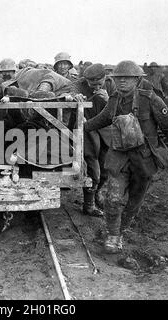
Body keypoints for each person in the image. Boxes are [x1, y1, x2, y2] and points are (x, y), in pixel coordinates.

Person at [83, 60, 168, 253]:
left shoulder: (150, 99)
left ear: (137, 79)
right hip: (119, 158)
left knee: (134, 201)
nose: (122, 81)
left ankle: (122, 231)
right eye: (118, 78)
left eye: (127, 78)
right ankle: (113, 235)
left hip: (144, 160)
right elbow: (103, 118)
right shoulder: (114, 99)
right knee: (113, 198)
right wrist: (81, 126)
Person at [73, 63, 117, 216]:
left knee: (106, 168)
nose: (96, 86)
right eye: (92, 84)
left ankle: (96, 194)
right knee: (93, 166)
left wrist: (109, 99)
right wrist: (75, 97)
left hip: (106, 128)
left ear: (105, 78)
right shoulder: (79, 84)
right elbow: (72, 92)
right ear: (86, 80)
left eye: (99, 83)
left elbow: (122, 107)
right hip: (88, 127)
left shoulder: (112, 85)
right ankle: (88, 205)